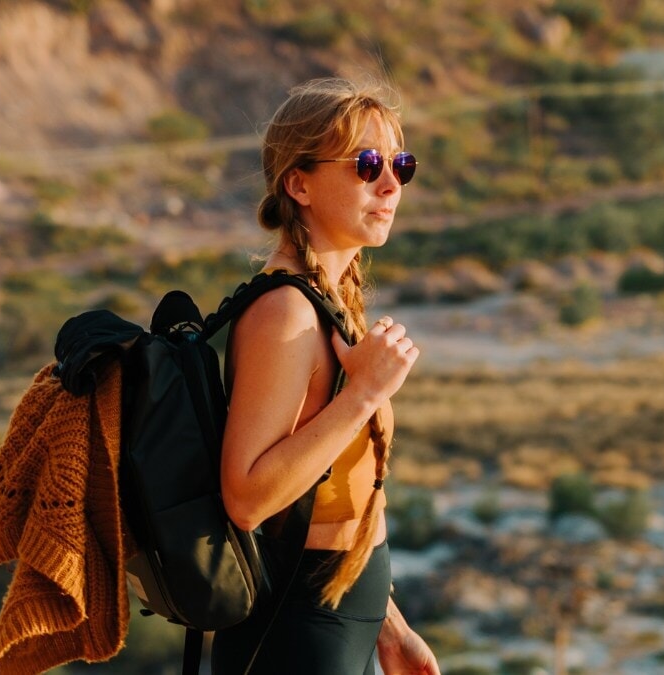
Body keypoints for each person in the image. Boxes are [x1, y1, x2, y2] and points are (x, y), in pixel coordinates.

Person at [212, 77, 441, 675]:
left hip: (346, 627)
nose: (391, 183)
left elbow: (340, 488)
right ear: (299, 183)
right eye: (367, 164)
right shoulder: (284, 312)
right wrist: (364, 392)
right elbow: (247, 498)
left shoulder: (330, 299)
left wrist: (388, 627)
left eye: (400, 163)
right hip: (300, 640)